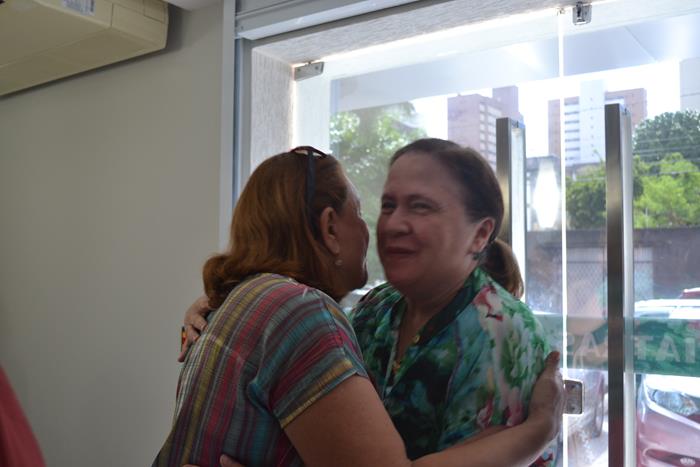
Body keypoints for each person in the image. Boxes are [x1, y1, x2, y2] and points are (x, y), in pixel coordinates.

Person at [162, 145, 563, 467]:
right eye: (387, 206)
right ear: (329, 229)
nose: (391, 225)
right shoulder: (368, 310)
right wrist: (539, 431)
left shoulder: (507, 335)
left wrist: (541, 433)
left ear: (479, 234)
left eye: (421, 206)